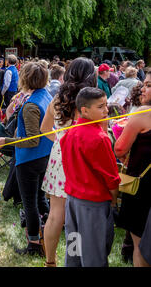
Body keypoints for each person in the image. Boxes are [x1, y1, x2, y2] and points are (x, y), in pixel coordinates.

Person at [40, 57, 97, 267]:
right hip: (83, 158)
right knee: (78, 216)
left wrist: (62, 142)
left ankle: (50, 262)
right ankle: (75, 260)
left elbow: (44, 129)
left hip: (60, 156)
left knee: (56, 214)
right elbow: (100, 135)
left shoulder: (58, 98)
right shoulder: (93, 101)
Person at [0, 62, 53, 256]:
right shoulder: (46, 95)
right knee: (40, 198)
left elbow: (32, 140)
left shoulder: (31, 105)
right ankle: (49, 232)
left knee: (30, 203)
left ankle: (34, 244)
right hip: (44, 155)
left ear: (25, 78)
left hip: (31, 159)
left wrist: (6, 140)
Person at [61, 87, 120, 267]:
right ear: (84, 110)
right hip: (92, 204)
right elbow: (111, 177)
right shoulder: (99, 138)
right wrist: (114, 199)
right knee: (93, 254)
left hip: (72, 201)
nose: (106, 110)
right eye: (100, 107)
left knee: (74, 249)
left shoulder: (69, 132)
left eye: (106, 105)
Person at [115, 71, 151, 267]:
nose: (143, 88)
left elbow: (119, 147)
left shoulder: (143, 113)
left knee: (141, 244)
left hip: (143, 187)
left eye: (148, 85)